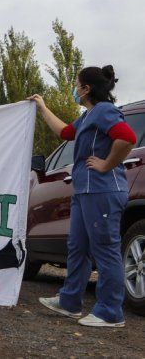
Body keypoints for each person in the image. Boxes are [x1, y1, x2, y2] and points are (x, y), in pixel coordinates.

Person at [31, 65, 136, 328]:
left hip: (102, 190)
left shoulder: (104, 111)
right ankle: (69, 302)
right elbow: (66, 133)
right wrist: (42, 108)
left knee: (105, 250)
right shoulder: (89, 115)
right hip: (84, 191)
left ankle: (110, 313)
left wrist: (106, 164)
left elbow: (127, 138)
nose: (74, 89)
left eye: (77, 85)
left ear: (86, 89)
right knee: (77, 247)